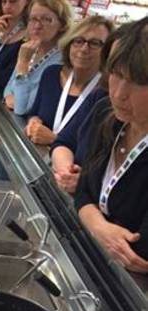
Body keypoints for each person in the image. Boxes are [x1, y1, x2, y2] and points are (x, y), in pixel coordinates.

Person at [75, 17, 148, 273]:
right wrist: (99, 226)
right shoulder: (106, 115)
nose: (119, 93)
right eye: (116, 75)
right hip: (93, 263)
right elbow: (83, 190)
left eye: (139, 82)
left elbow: (139, 253)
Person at [51, 22, 128, 194]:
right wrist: (66, 172)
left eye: (94, 43)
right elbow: (63, 142)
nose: (121, 93)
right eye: (116, 73)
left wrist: (85, 184)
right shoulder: (101, 102)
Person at [24, 16, 112, 147]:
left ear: (109, 51)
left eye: (94, 43)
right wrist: (33, 121)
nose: (84, 49)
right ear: (69, 44)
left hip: (67, 166)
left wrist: (55, 140)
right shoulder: (51, 74)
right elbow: (34, 112)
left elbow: (98, 150)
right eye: (78, 41)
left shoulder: (107, 95)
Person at [3, 0, 72, 115]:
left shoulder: (60, 61)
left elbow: (22, 108)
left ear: (62, 25)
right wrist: (9, 96)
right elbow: (8, 89)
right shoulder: (32, 49)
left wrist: (23, 63)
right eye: (33, 19)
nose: (37, 26)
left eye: (46, 20)